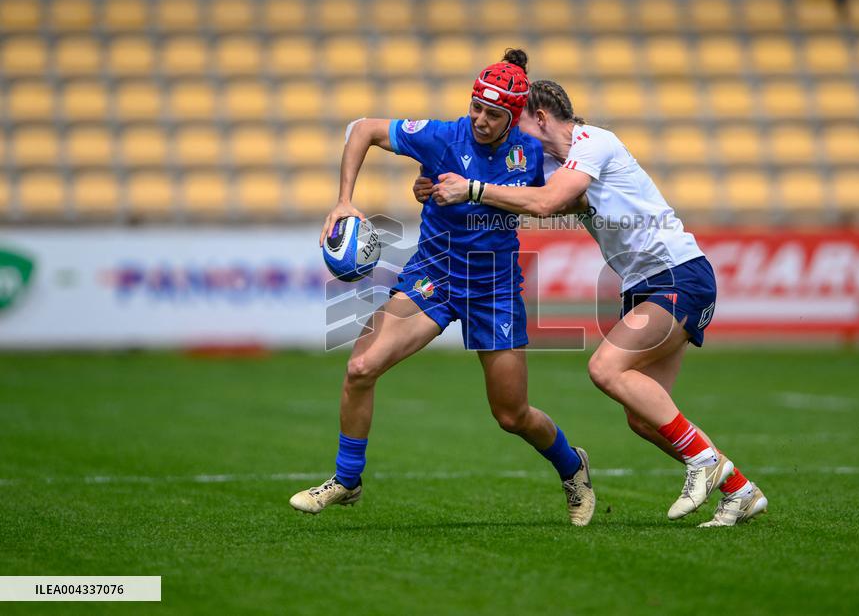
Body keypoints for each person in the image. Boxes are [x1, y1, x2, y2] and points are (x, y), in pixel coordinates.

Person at [422, 80, 768, 527]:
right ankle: (739, 491)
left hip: (678, 273)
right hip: (643, 284)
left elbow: (546, 203)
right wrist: (436, 186)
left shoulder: (593, 142)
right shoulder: (552, 163)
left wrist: (470, 189)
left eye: (517, 121)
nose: (510, 133)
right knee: (645, 418)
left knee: (606, 368)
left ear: (540, 118)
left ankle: (703, 460)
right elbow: (529, 196)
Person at [289, 51, 596, 527]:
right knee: (361, 367)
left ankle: (572, 466)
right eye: (476, 107)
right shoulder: (442, 136)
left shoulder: (533, 151)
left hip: (494, 289)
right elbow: (363, 130)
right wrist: (344, 201)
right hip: (434, 277)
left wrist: (494, 194)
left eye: (492, 114)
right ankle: (347, 480)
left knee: (511, 414)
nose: (480, 119)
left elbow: (568, 199)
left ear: (514, 117)